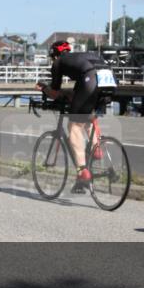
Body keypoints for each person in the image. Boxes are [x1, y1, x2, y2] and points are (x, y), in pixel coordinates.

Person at [35, 41, 117, 193]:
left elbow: (54, 92)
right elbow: (80, 92)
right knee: (87, 116)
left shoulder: (58, 62)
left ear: (55, 55)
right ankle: (96, 148)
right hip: (109, 80)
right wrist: (68, 95)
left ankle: (82, 172)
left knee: (73, 126)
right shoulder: (79, 58)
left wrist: (43, 88)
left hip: (91, 79)